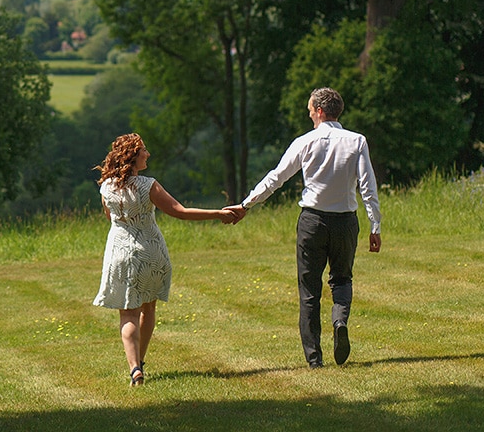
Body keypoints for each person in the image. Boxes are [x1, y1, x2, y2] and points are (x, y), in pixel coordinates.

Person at [224, 87, 382, 368]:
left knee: (309, 289)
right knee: (342, 278)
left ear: (320, 111)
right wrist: (375, 224)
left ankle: (314, 359)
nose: (309, 114)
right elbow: (367, 186)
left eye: (310, 110)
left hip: (312, 222)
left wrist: (246, 204)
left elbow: (276, 178)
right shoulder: (357, 141)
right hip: (345, 221)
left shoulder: (305, 141)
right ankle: (339, 320)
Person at [93, 132, 237, 386]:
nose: (148, 154)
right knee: (148, 308)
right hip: (151, 252)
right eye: (144, 151)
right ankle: (140, 362)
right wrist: (217, 213)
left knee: (127, 314)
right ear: (133, 157)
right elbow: (179, 212)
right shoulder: (148, 185)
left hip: (120, 253)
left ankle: (134, 367)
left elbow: (110, 217)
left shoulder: (106, 187)